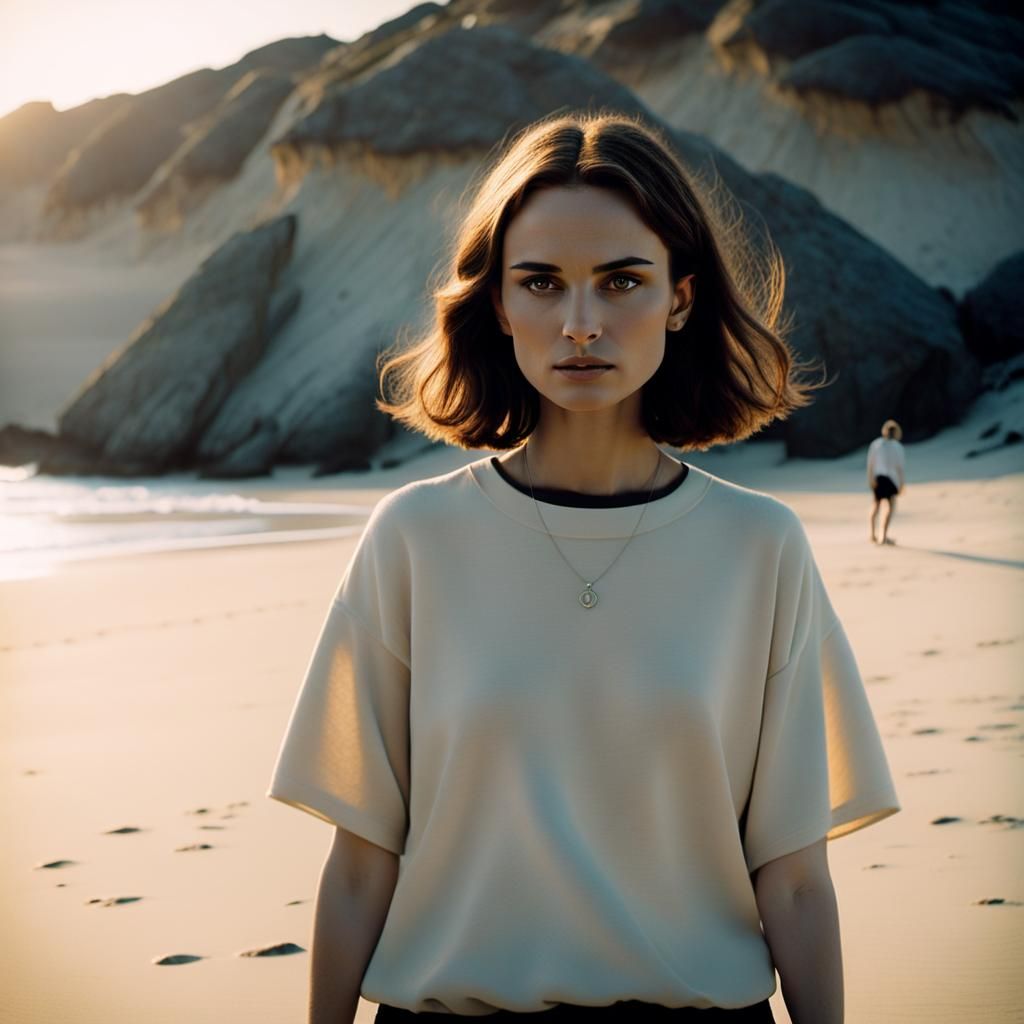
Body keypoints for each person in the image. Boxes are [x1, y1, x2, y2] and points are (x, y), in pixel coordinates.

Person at [266, 111, 901, 1024]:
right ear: (498, 303)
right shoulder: (413, 539)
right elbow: (362, 862)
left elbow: (795, 882)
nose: (580, 324)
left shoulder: (760, 548)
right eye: (542, 283)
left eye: (621, 282)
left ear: (681, 298)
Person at [867, 420, 906, 546]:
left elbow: (870, 464)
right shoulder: (897, 446)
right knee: (889, 507)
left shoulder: (876, 444)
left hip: (879, 478)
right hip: (890, 479)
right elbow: (900, 467)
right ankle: (882, 536)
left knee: (876, 506)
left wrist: (870, 479)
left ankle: (875, 535)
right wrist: (901, 484)